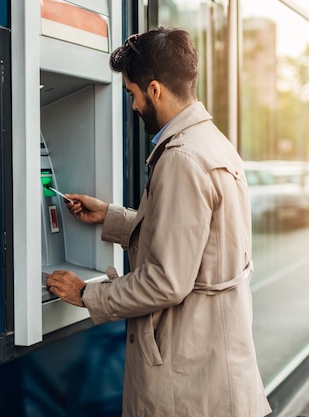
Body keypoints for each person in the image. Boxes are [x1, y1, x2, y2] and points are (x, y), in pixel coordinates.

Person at [46, 27, 271, 417]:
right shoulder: (212, 142)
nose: (132, 106)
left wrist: (87, 294)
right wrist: (112, 217)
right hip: (215, 367)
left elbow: (166, 281)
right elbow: (199, 242)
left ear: (154, 90)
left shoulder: (182, 159)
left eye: (132, 93)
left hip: (190, 380)